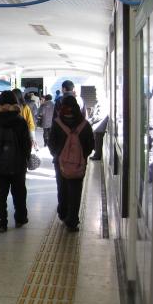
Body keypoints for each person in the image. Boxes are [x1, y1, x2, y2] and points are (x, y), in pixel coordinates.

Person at [0, 91, 32, 233]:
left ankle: (1, 221)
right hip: (18, 164)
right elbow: (26, 144)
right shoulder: (20, 121)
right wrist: (25, 158)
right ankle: (21, 218)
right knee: (19, 192)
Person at [48, 96, 94, 232]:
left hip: (60, 163)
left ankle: (63, 213)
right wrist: (81, 156)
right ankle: (72, 221)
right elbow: (90, 145)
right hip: (78, 164)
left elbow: (51, 143)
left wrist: (58, 155)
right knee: (75, 191)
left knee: (62, 188)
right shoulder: (84, 124)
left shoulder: (57, 122)